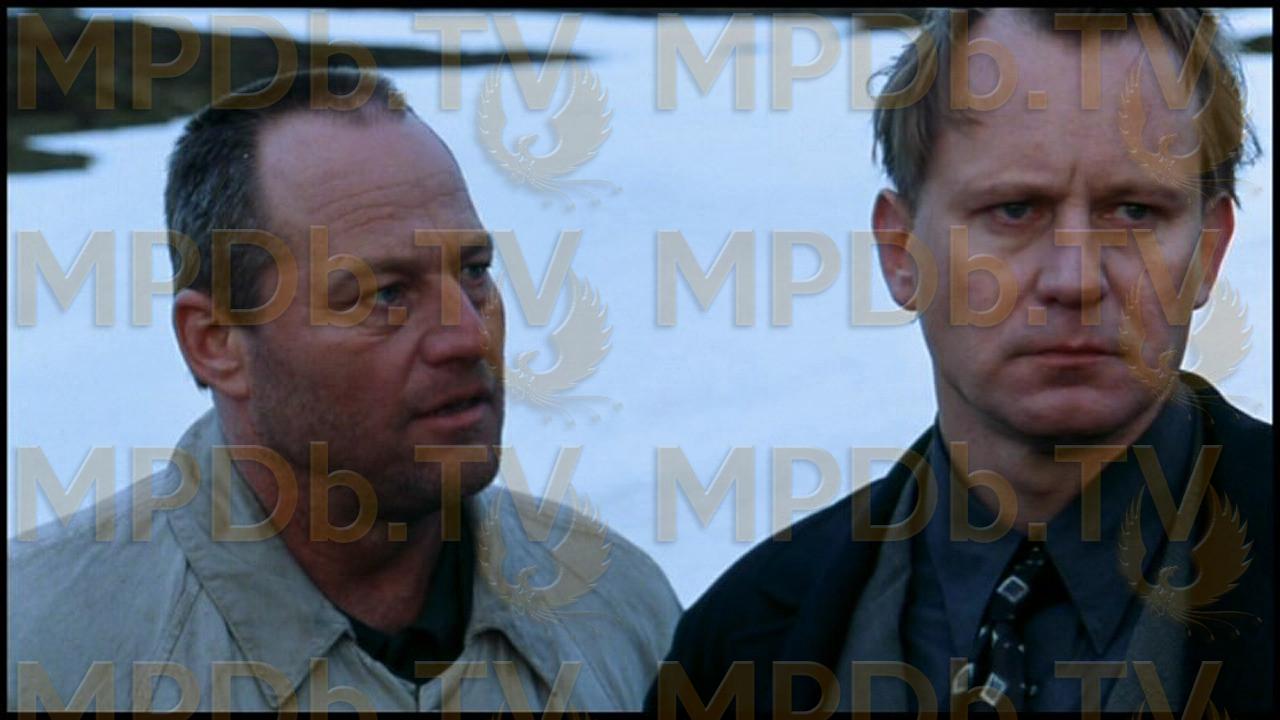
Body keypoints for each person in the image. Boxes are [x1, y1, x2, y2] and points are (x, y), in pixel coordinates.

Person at [651, 8, 1272, 716]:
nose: (1074, 278)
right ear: (900, 253)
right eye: (1014, 210)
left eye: (1134, 212)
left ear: (1210, 251)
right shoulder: (736, 647)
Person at [10, 69, 680, 712]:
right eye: (384, 294)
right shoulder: (46, 649)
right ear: (217, 342)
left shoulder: (615, 606)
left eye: (474, 271)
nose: (469, 336)